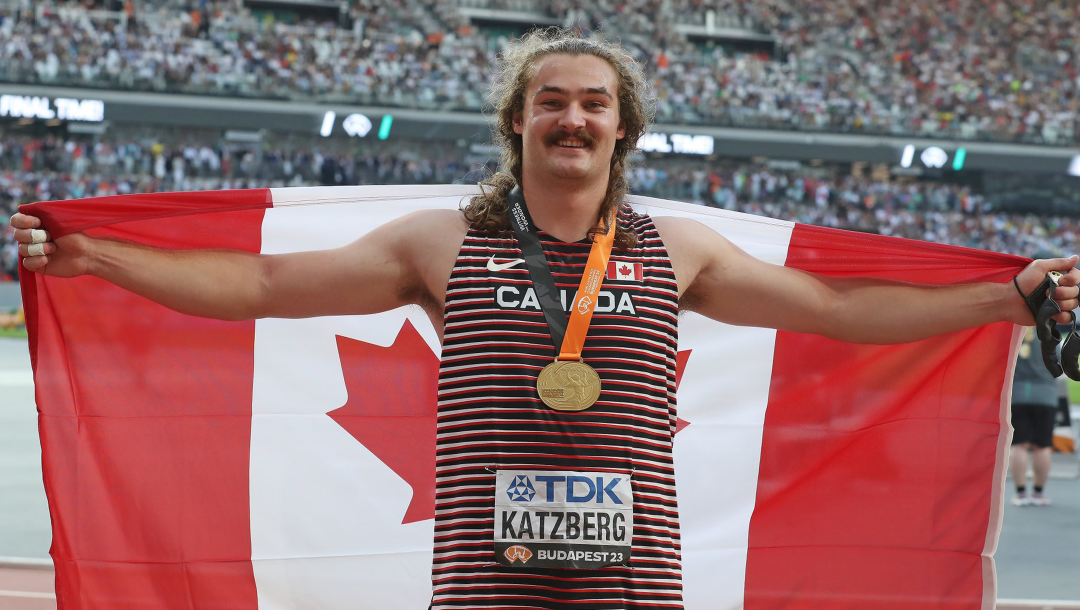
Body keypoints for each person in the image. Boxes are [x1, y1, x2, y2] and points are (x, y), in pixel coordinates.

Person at [10, 29, 1080, 610]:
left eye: (595, 103)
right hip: (483, 581)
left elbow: (839, 310)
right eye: (554, 100)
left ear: (624, 129)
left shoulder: (676, 249)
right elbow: (260, 290)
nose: (574, 115)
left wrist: (1006, 294)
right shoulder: (439, 243)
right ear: (521, 120)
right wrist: (99, 257)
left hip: (635, 579)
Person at [1010, 325, 1068, 506]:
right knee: (1042, 447)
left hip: (1018, 394)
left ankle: (1020, 494)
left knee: (1019, 446)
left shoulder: (1014, 334)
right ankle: (1038, 493)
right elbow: (1060, 362)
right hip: (1045, 396)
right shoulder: (1050, 334)